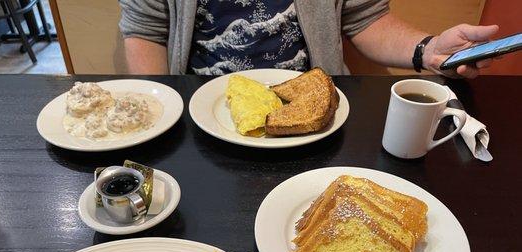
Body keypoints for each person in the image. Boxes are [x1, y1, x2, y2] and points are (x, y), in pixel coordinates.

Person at [119, 0, 498, 79]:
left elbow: (365, 19)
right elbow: (145, 30)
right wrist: (165, 115)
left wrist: (427, 50)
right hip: (201, 117)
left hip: (318, 114)